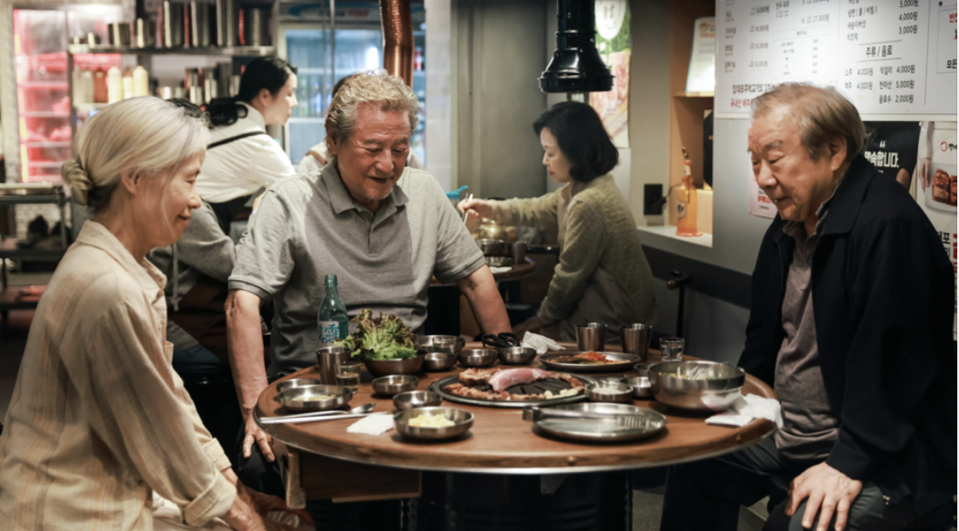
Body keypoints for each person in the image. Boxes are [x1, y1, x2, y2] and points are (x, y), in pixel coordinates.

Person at [660, 84, 956, 531]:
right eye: (754, 160)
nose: (761, 177)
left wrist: (846, 464)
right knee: (694, 461)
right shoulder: (789, 224)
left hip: (882, 453)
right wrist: (735, 405)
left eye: (774, 160)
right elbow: (763, 337)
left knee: (794, 525)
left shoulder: (887, 226)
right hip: (788, 430)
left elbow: (896, 371)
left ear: (834, 151)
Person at [0, 97, 306, 530]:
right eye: (190, 180)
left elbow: (174, 406)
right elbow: (161, 435)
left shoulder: (123, 268)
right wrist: (244, 516)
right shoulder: (108, 289)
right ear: (136, 178)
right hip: (72, 511)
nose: (197, 201)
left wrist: (242, 493)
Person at [225, 72, 510, 484]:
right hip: (313, 385)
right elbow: (242, 304)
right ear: (333, 140)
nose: (388, 164)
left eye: (400, 148)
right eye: (372, 148)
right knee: (261, 466)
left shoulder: (424, 193)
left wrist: (506, 374)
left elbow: (476, 280)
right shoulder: (288, 201)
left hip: (410, 384)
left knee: (481, 466)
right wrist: (255, 414)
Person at [458, 101, 656, 341]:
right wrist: (489, 208)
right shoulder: (589, 186)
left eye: (550, 153)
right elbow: (535, 209)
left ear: (576, 151)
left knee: (505, 340)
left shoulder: (588, 202)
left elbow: (568, 277)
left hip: (610, 324)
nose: (544, 160)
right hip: (611, 315)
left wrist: (542, 320)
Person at [197, 56, 299, 233]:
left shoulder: (229, 119)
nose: (295, 102)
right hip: (196, 226)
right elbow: (298, 198)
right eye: (290, 94)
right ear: (265, 96)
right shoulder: (259, 144)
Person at [296, 73, 423, 175]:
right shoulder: (315, 159)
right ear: (334, 137)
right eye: (372, 149)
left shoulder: (406, 155)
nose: (387, 166)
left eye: (398, 150)